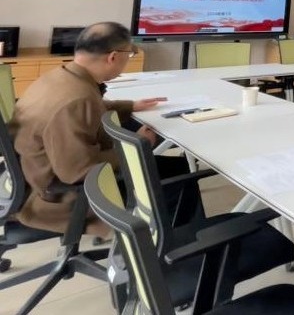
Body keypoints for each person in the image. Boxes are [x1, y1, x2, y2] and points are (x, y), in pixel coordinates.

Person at [10, 22, 188, 236]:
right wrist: (138, 144)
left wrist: (131, 106)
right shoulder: (77, 100)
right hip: (58, 195)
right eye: (129, 55)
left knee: (167, 163)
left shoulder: (60, 76)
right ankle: (167, 245)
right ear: (113, 57)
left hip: (30, 174)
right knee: (174, 174)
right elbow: (77, 171)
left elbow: (90, 108)